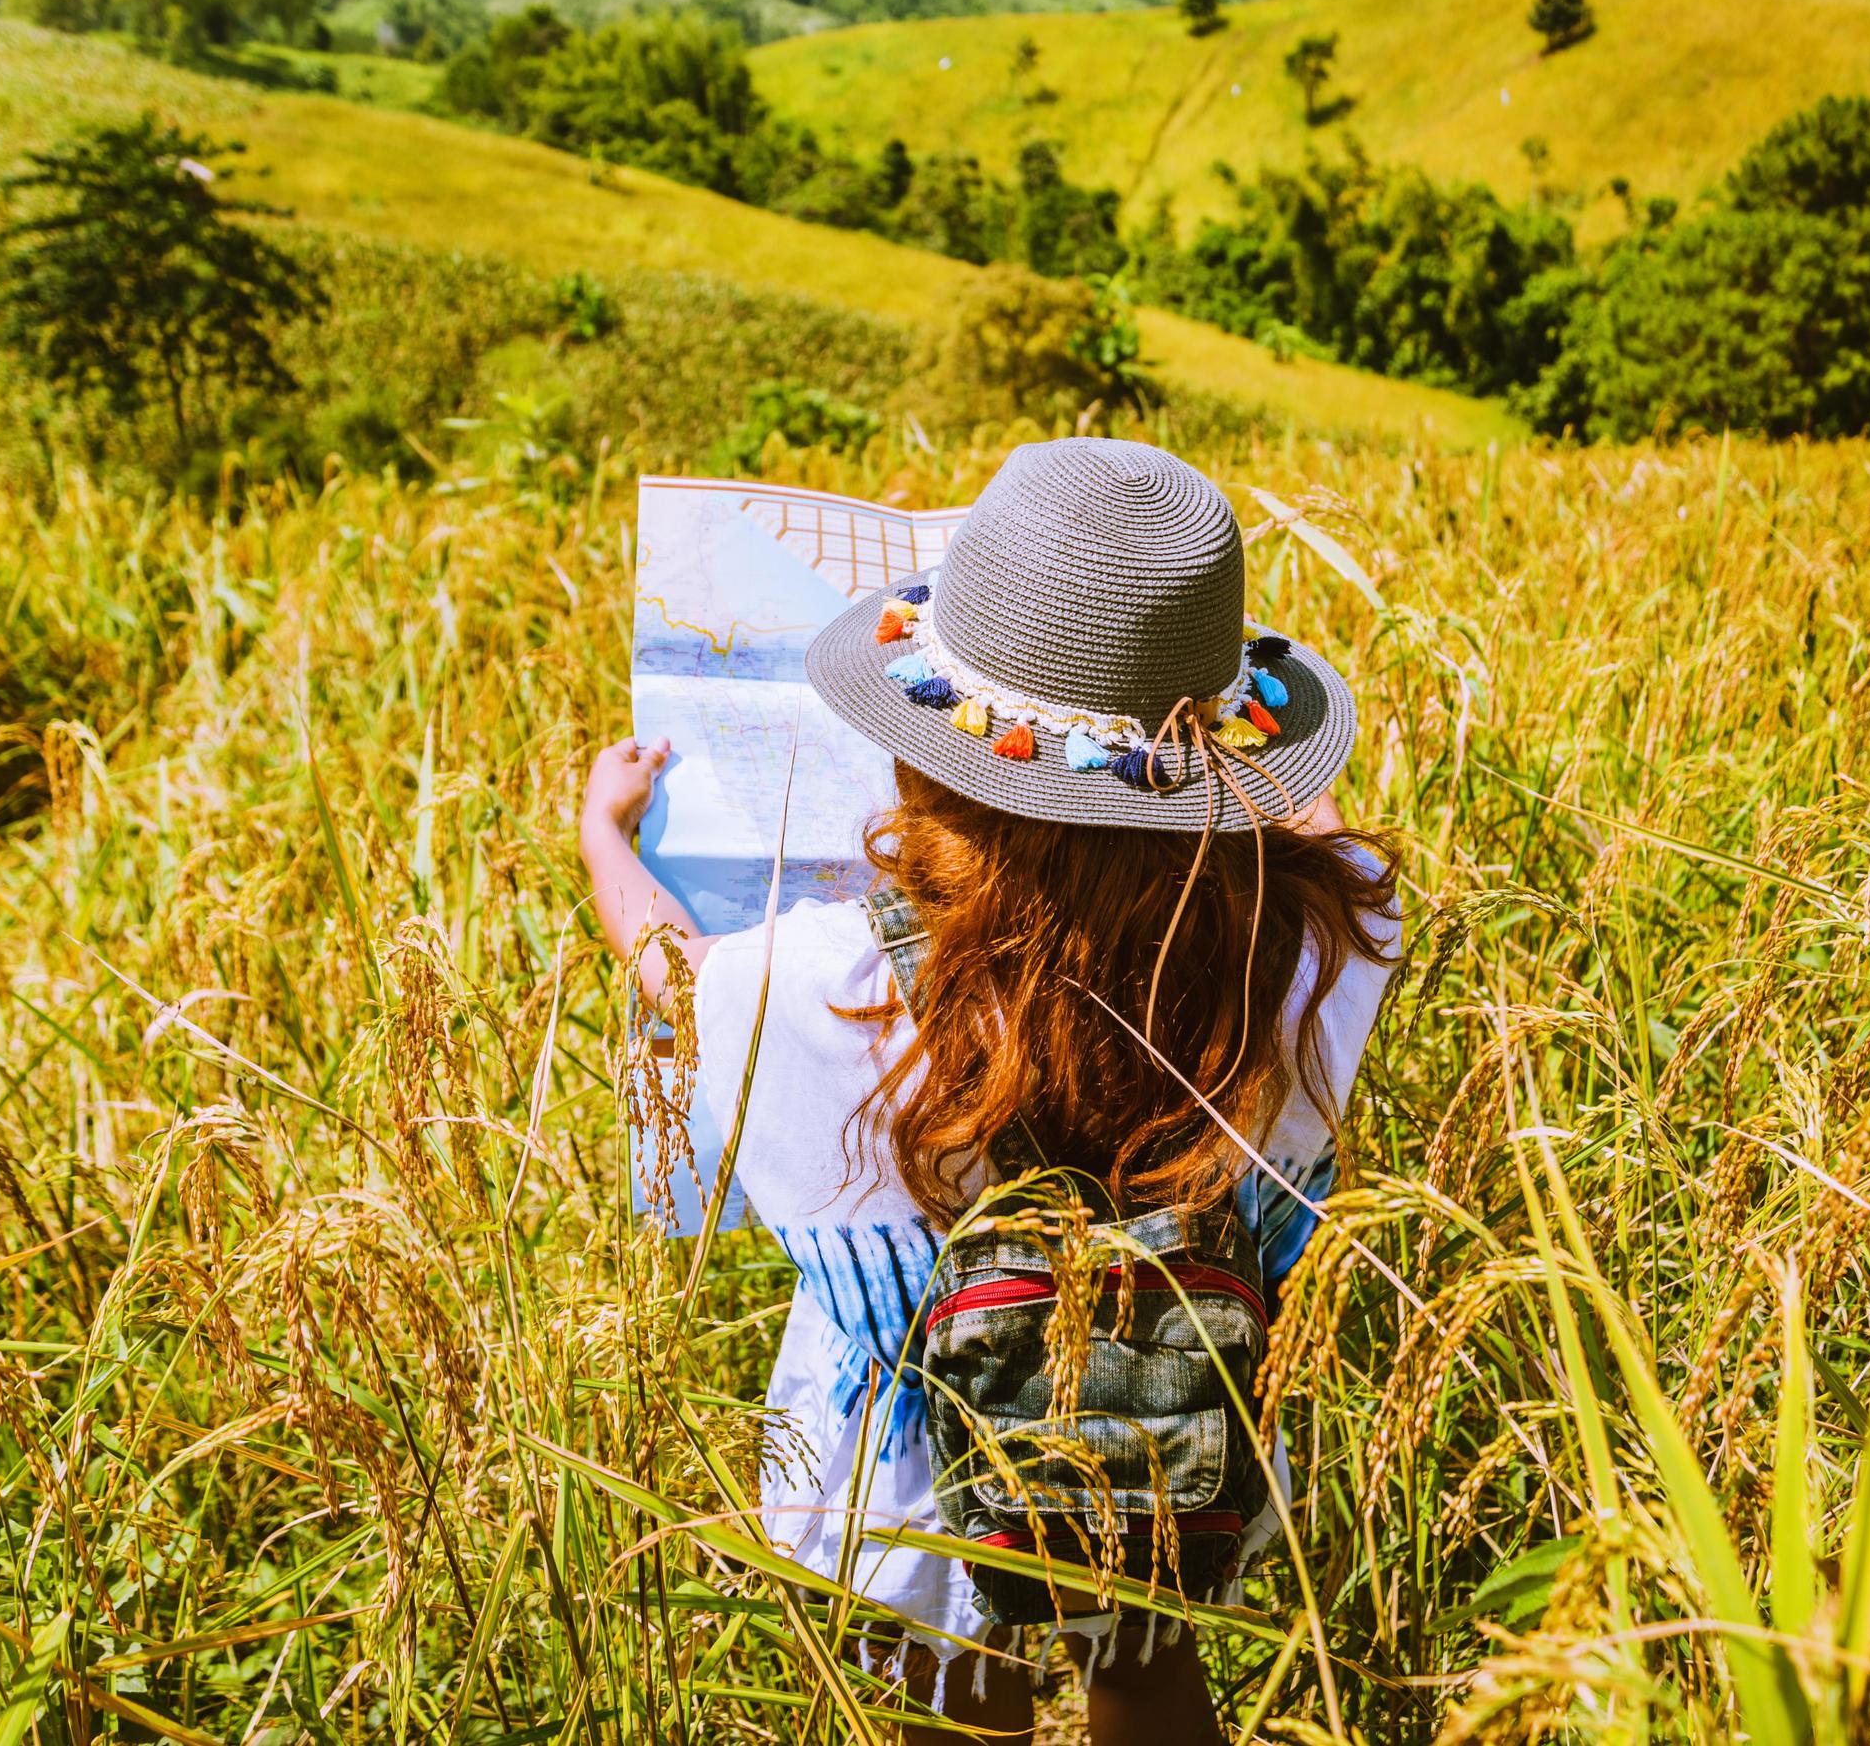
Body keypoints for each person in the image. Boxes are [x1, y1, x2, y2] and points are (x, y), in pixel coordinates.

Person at [579, 438, 1400, 1743]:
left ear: (929, 767)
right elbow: (1322, 831)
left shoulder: (830, 987)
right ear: (1227, 754)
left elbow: (676, 976)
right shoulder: (1320, 945)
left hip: (916, 1454)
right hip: (1180, 1412)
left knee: (954, 1694)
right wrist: (1191, 743)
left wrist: (603, 836)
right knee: (1147, 1660)